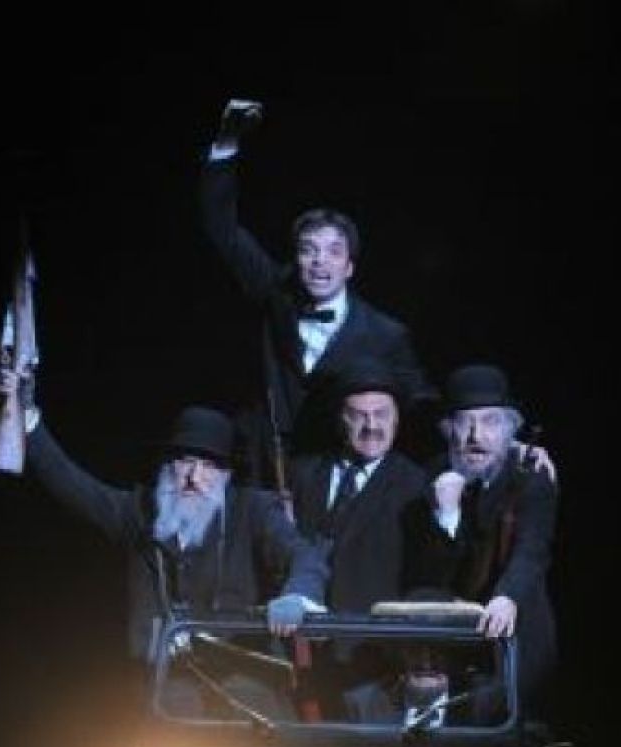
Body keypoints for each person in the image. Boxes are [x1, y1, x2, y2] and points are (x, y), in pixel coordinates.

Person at [0, 369, 330, 664]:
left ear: (226, 475)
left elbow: (304, 556)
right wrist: (27, 419)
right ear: (168, 466)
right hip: (163, 685)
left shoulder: (253, 511)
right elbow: (75, 486)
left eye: (208, 466)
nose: (194, 477)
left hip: (241, 681)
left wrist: (297, 596)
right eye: (185, 462)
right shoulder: (141, 511)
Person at [199, 98, 435, 484]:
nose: (319, 262)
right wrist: (226, 143)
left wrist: (496, 442)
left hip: (334, 472)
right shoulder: (276, 292)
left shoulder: (385, 334)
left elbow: (421, 402)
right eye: (309, 251)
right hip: (264, 464)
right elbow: (223, 229)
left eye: (332, 252)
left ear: (349, 267)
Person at [404, 364, 559, 714]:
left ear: (509, 431)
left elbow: (532, 549)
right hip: (453, 644)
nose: (477, 435)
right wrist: (447, 516)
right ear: (448, 430)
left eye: (491, 422)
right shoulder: (431, 476)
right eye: (465, 423)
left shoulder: (531, 477)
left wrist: (507, 596)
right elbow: (428, 572)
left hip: (516, 637)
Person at [288, 357, 428, 615]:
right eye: (358, 416)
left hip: (372, 632)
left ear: (397, 418)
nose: (371, 426)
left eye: (381, 414)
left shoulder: (416, 485)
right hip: (303, 629)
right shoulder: (302, 475)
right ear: (340, 418)